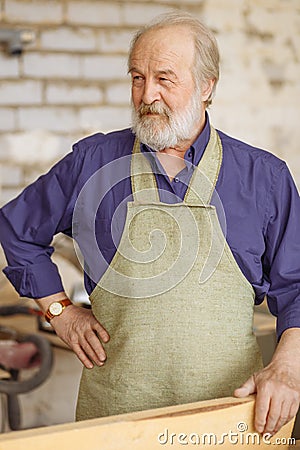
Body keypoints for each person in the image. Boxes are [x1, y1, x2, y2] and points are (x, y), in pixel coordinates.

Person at [0, 11, 299, 435]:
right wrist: (59, 311)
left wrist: (287, 366)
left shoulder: (263, 178)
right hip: (114, 418)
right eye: (137, 78)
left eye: (164, 78)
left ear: (207, 86)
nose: (147, 95)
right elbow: (16, 229)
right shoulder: (93, 163)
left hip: (227, 417)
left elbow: (297, 286)